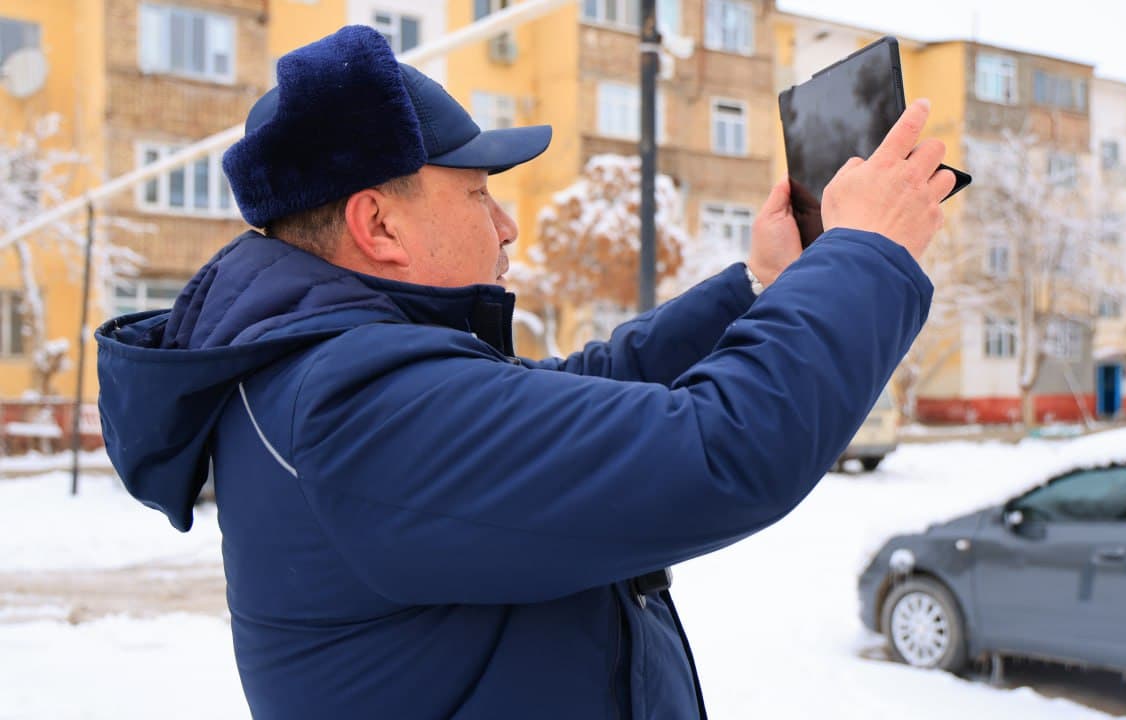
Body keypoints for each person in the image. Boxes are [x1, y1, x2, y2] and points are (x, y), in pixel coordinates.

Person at [96, 25, 953, 720]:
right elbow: (721, 449)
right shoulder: (350, 404)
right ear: (379, 226)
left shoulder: (331, 369)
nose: (507, 227)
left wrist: (761, 287)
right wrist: (865, 256)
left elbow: (586, 386)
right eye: (477, 194)